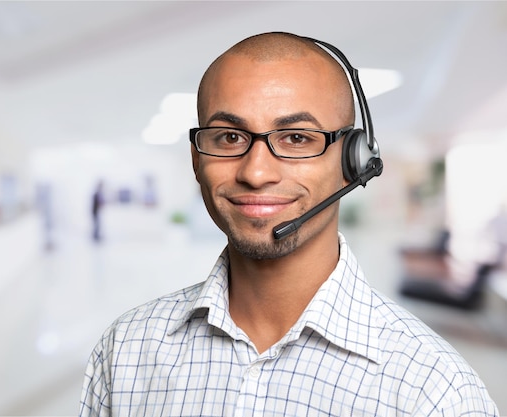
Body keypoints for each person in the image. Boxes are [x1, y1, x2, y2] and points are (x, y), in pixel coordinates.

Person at [80, 32, 499, 416]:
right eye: (228, 137)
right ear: (197, 158)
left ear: (353, 161)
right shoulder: (125, 352)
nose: (256, 173)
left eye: (296, 138)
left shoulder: (436, 392)